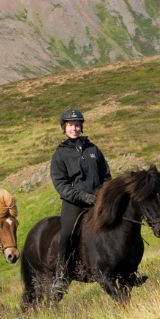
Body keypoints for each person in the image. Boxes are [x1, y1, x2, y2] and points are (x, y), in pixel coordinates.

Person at [49, 106, 111, 279]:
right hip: (74, 203)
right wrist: (84, 197)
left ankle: (127, 265)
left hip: (99, 200)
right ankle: (61, 276)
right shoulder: (60, 154)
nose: (74, 128)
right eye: (70, 125)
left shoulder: (93, 149)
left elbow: (105, 175)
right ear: (64, 127)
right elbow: (61, 185)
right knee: (66, 234)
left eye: (77, 125)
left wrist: (104, 194)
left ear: (81, 127)